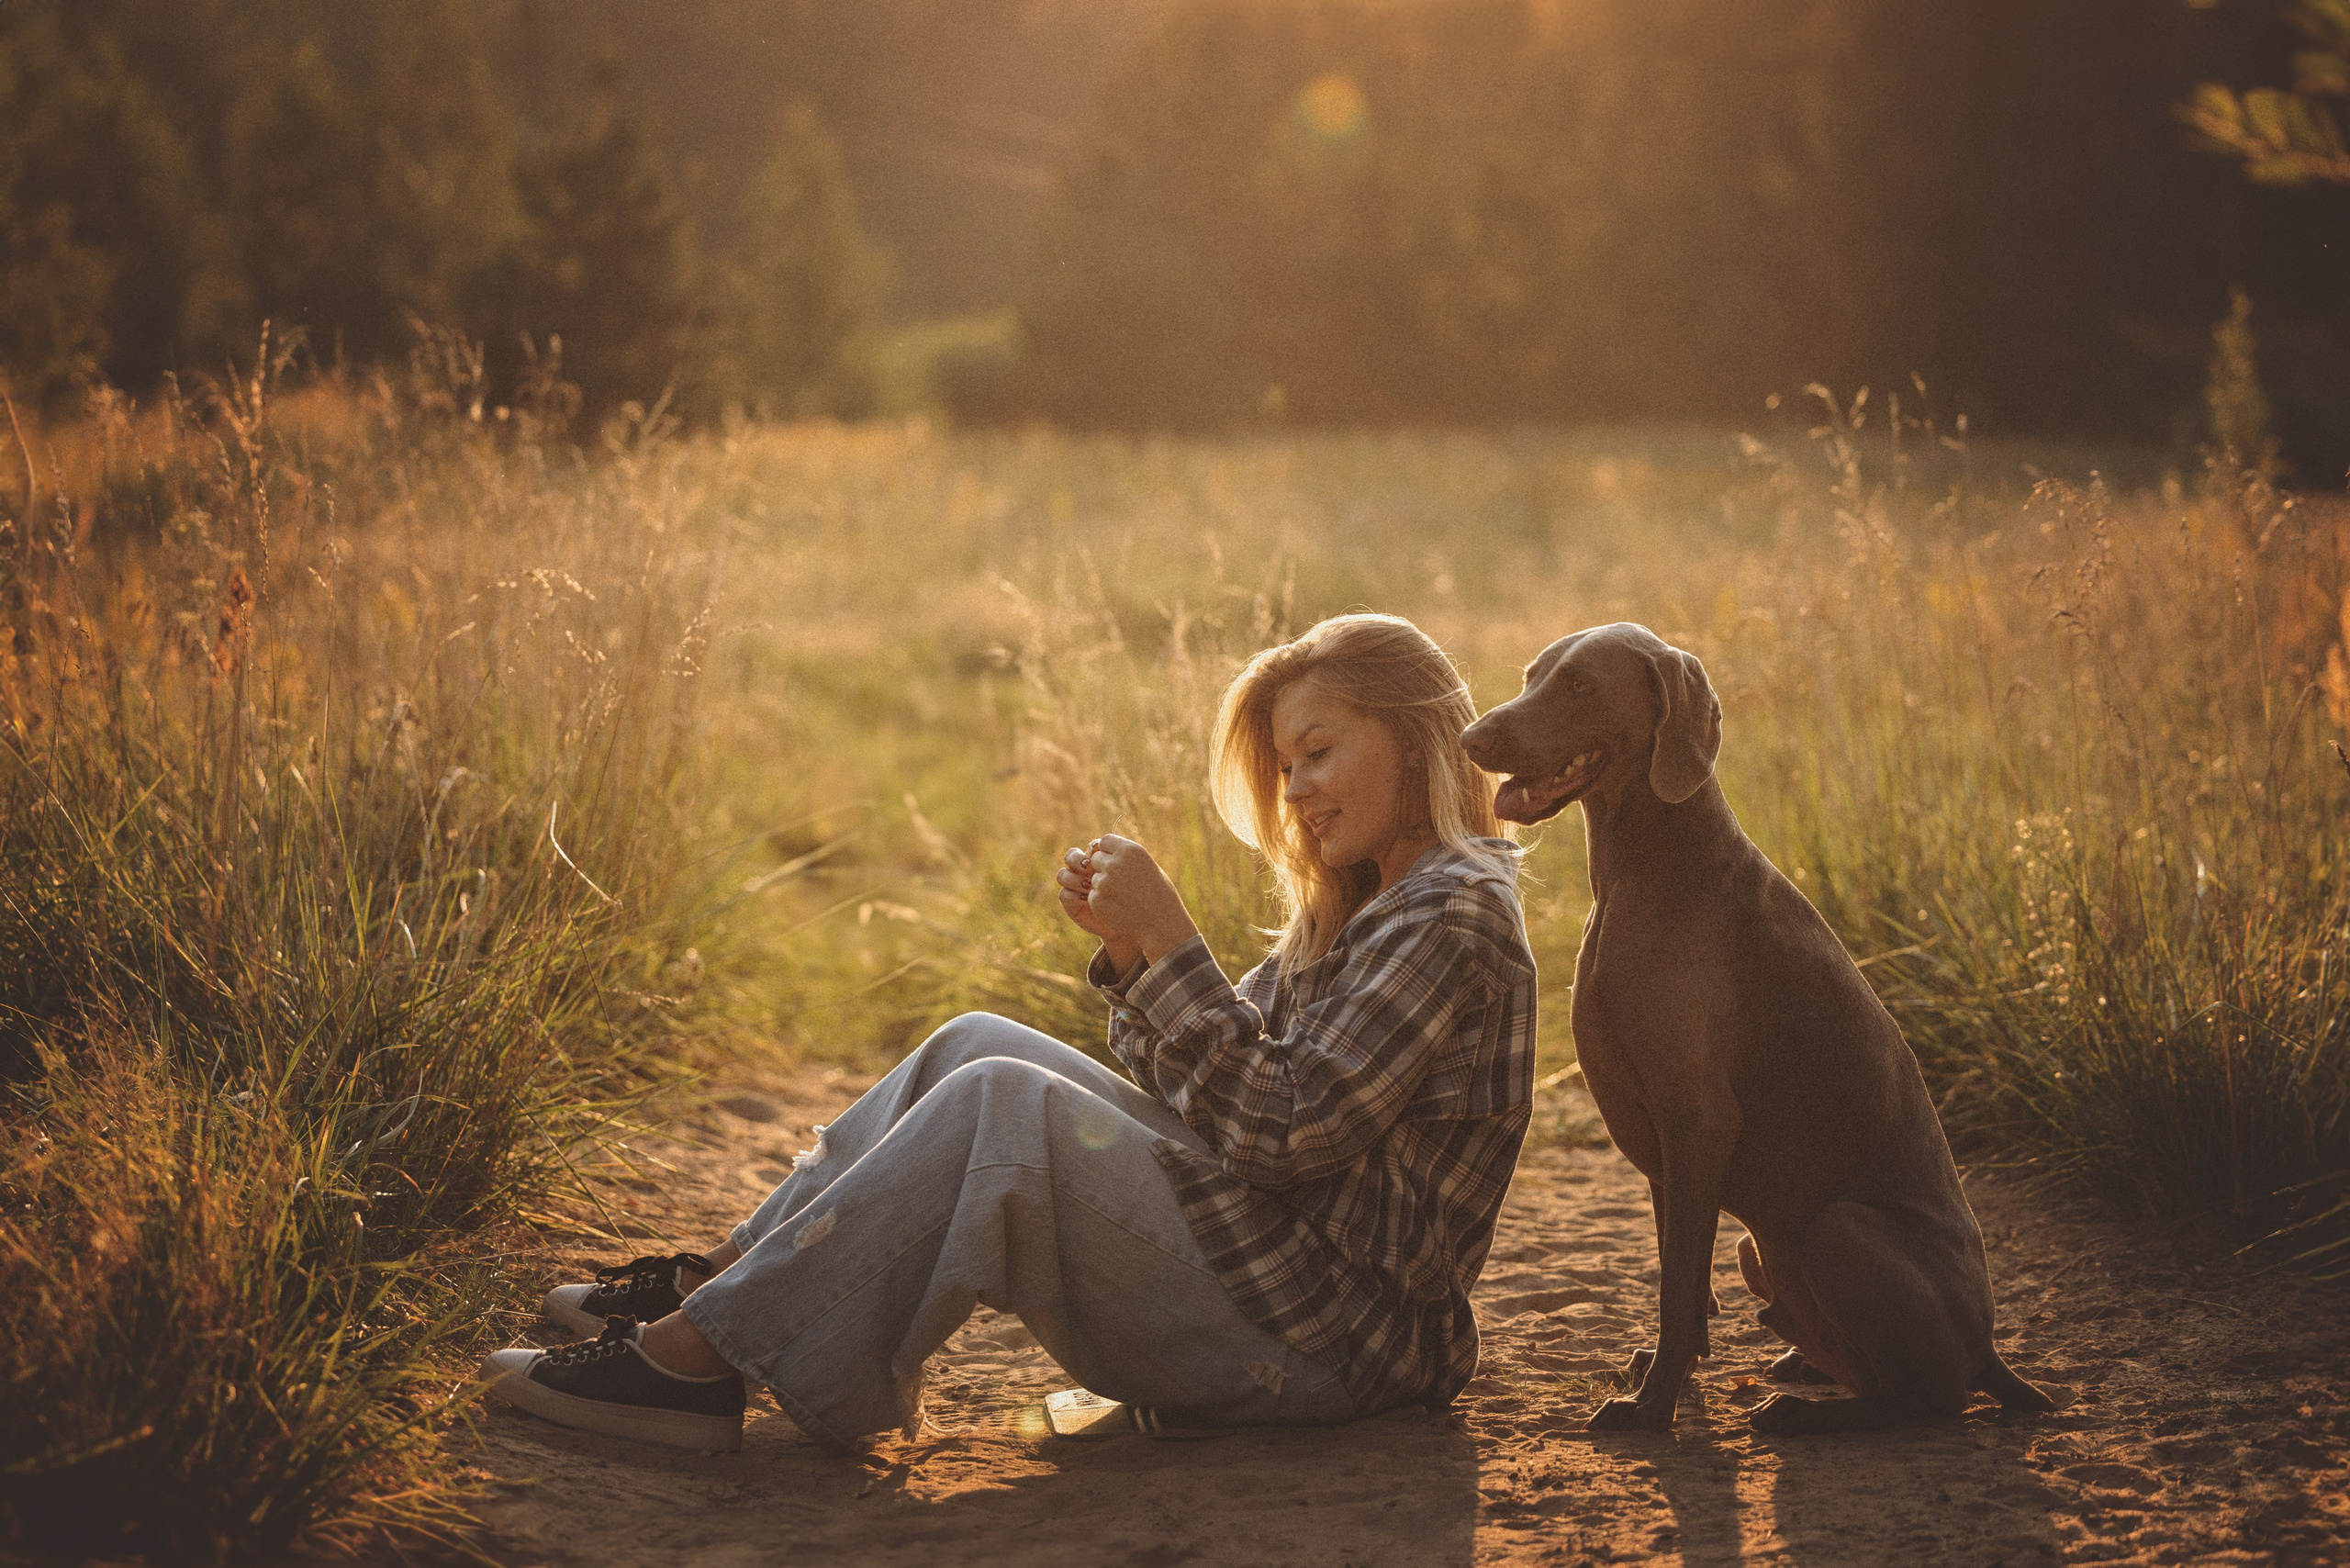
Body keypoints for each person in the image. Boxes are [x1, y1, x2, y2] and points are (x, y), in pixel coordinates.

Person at [480, 612, 1538, 1451]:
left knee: (1003, 1104)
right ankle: (721, 1283)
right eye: (1283, 768)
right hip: (1281, 1274)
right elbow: (1218, 1093)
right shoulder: (1369, 901)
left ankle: (694, 1362)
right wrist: (1137, 960)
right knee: (975, 1042)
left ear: (1415, 739)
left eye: (1316, 752)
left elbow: (1281, 1129)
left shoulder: (1451, 913)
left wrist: (1174, 942)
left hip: (1333, 1340)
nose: (1295, 791)